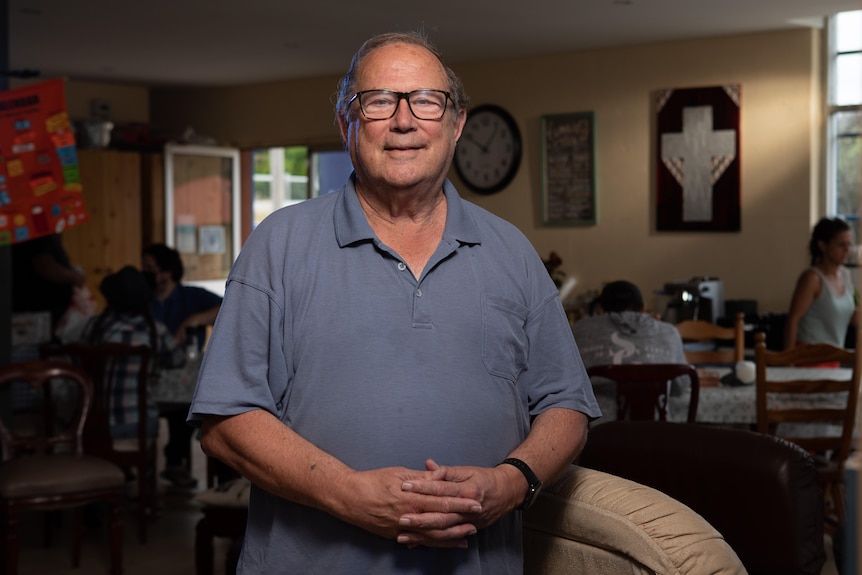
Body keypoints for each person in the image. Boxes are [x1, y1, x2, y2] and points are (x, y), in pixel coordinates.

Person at [188, 31, 600, 574]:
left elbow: (567, 405)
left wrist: (510, 482)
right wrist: (348, 495)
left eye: (426, 101)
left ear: (456, 125)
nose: (404, 121)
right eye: (379, 101)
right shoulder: (279, 243)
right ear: (346, 125)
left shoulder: (512, 252)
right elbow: (224, 420)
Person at [142, 243, 223, 488]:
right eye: (149, 270)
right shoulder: (142, 299)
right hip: (148, 379)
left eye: (161, 270)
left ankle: (175, 463)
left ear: (172, 269)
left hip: (183, 381)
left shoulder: (191, 296)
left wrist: (193, 320)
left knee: (191, 405)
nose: (156, 277)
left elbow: (229, 306)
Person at [83, 265, 185, 441]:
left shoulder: (93, 327)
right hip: (139, 423)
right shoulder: (154, 330)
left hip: (94, 423)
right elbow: (177, 360)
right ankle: (174, 462)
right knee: (182, 407)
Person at [571, 280, 689, 416]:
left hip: (600, 431)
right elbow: (680, 387)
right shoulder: (669, 332)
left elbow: (570, 386)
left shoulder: (580, 330)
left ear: (600, 310)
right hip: (655, 431)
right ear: (643, 308)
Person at [784, 217, 858, 350]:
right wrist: (788, 362)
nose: (847, 250)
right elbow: (793, 320)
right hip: (809, 358)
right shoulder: (812, 278)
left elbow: (849, 316)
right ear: (823, 245)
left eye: (849, 244)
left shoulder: (846, 275)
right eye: (841, 245)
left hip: (835, 357)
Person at [11, 232, 86, 330]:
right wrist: (74, 276)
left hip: (35, 315)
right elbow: (44, 265)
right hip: (33, 313)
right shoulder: (34, 232)